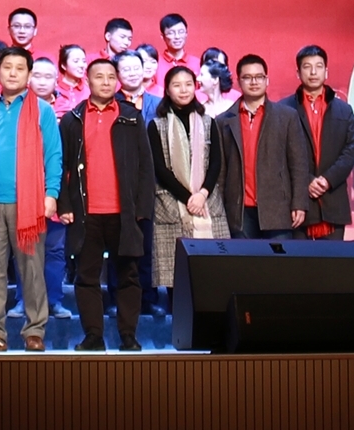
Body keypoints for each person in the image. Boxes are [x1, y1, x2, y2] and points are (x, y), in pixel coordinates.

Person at [0, 47, 61, 352]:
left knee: (32, 270)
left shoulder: (42, 111)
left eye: (20, 68)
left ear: (29, 74)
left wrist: (51, 194)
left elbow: (54, 156)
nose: (13, 73)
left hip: (29, 204)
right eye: (7, 67)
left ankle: (34, 331)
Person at [59, 57, 156, 351]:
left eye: (110, 77)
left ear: (117, 81)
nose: (105, 82)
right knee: (86, 277)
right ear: (88, 81)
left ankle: (128, 335)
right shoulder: (73, 119)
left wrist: (142, 209)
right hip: (86, 213)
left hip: (124, 213)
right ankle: (93, 336)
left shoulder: (131, 117)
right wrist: (65, 205)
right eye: (99, 76)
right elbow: (61, 165)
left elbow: (145, 166)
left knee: (128, 276)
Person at [148, 66, 228, 291]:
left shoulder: (208, 122)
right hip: (172, 204)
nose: (183, 90)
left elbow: (216, 163)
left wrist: (202, 194)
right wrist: (188, 197)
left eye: (188, 84)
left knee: (212, 279)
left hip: (207, 203)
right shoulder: (157, 125)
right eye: (177, 85)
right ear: (167, 90)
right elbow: (159, 168)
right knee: (177, 280)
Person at [215, 55, 311, 240]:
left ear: (267, 80)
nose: (254, 82)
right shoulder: (223, 121)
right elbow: (221, 171)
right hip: (239, 211)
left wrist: (299, 203)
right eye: (247, 77)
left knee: (279, 259)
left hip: (278, 209)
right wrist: (218, 209)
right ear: (238, 81)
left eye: (259, 77)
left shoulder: (287, 117)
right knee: (244, 259)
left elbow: (299, 164)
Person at [293, 45, 354, 242]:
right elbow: (279, 154)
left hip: (333, 199)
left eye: (319, 66)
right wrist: (306, 180)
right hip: (297, 204)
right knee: (298, 260)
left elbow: (350, 150)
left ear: (326, 71)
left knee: (332, 260)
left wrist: (327, 180)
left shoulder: (344, 110)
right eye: (307, 67)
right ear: (298, 72)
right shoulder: (284, 110)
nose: (313, 72)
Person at [115, 48, 162, 316]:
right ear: (117, 74)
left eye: (136, 68)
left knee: (147, 245)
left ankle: (149, 298)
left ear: (145, 70)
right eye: (126, 69)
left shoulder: (159, 104)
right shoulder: (111, 103)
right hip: (118, 183)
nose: (132, 73)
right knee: (119, 244)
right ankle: (116, 297)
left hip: (151, 183)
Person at [24, 57, 71, 317]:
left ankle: (54, 300)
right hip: (24, 190)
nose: (42, 82)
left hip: (58, 189)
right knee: (25, 247)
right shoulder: (16, 108)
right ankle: (24, 301)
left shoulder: (69, 110)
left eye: (48, 77)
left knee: (54, 249)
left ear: (57, 80)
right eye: (37, 76)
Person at [152, 14, 198, 91]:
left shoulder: (197, 64)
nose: (177, 37)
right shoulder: (155, 64)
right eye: (171, 33)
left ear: (186, 34)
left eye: (181, 32)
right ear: (162, 36)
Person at [197, 49, 235, 118]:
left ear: (215, 80)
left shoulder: (232, 107)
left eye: (202, 75)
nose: (197, 78)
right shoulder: (200, 109)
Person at [55, 45, 90, 112]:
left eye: (84, 61)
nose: (82, 65)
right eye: (76, 61)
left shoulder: (89, 87)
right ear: (63, 65)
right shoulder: (55, 88)